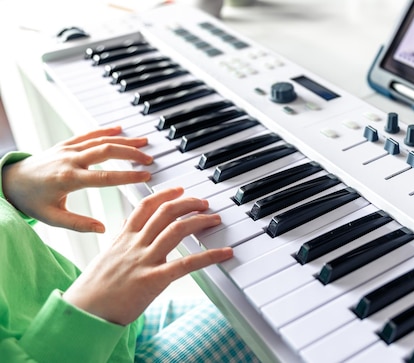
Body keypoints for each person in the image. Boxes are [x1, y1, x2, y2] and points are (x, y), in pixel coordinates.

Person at [0, 126, 259, 362]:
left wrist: (6, 184)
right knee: (268, 326)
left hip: (85, 319)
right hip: (71, 340)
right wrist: (89, 308)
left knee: (238, 308)